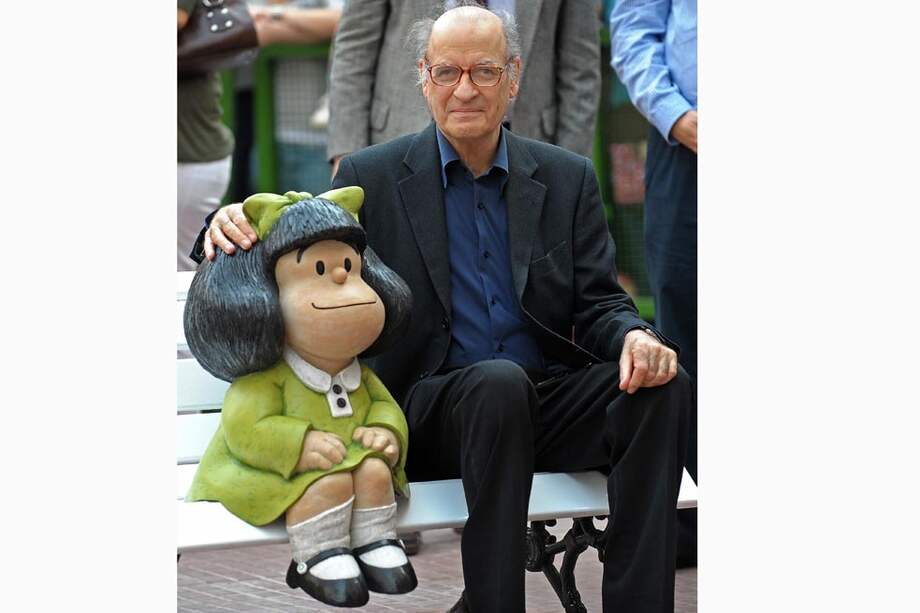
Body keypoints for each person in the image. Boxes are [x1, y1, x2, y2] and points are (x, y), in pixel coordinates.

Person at [197, 5, 691, 612]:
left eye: (483, 72)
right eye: (447, 72)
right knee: (496, 384)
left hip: (539, 402)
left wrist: (635, 337)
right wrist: (225, 222)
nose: (465, 89)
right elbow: (294, 235)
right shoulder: (370, 177)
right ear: (423, 79)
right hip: (429, 413)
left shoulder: (566, 177)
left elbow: (598, 303)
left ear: (513, 78)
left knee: (661, 384)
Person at [610, 0, 698, 566]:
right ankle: (690, 517)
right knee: (682, 325)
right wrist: (675, 116)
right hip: (683, 144)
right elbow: (634, 29)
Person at [326, 0, 602, 178]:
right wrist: (347, 156)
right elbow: (354, 49)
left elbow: (580, 66)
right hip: (401, 141)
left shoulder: (563, 176)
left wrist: (570, 170)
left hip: (528, 147)